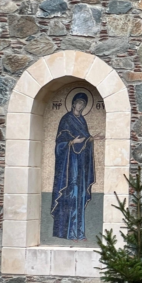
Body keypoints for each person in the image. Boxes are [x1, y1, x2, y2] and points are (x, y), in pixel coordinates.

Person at [51, 93, 101, 241]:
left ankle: (80, 232)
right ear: (73, 104)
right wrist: (71, 142)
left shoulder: (82, 120)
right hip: (69, 164)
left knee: (79, 195)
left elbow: (85, 139)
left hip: (80, 164)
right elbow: (59, 144)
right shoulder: (66, 119)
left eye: (83, 104)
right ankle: (69, 233)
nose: (81, 106)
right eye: (79, 103)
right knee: (71, 193)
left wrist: (91, 139)